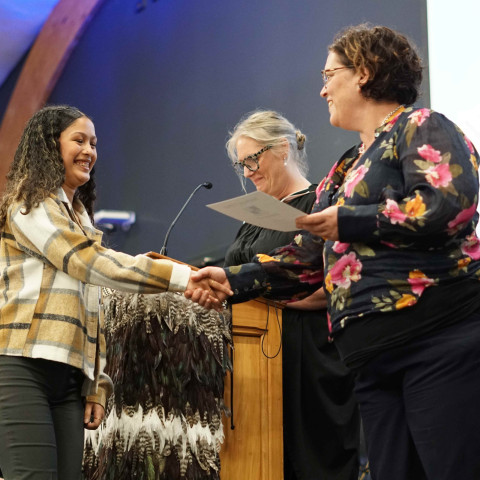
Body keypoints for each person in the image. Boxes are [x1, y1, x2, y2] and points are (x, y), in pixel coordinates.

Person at [187, 24, 480, 480]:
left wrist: (350, 221)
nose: (322, 88)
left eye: (329, 75)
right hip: (372, 358)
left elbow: (448, 203)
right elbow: (307, 256)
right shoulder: (346, 166)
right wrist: (233, 281)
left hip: (434, 341)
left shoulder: (420, 125)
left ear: (363, 72)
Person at [0, 105, 229, 480]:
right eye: (79, 140)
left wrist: (97, 384)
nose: (90, 150)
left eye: (94, 142)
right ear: (48, 145)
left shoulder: (78, 216)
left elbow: (94, 305)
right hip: (19, 366)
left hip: (68, 377)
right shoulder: (31, 207)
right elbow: (90, 263)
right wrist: (180, 277)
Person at [224, 109, 360, 479]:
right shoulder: (255, 214)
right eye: (241, 164)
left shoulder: (320, 203)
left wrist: (278, 299)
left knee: (308, 458)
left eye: (253, 158)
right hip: (254, 352)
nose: (248, 171)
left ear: (282, 149)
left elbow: (334, 278)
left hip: (307, 349)